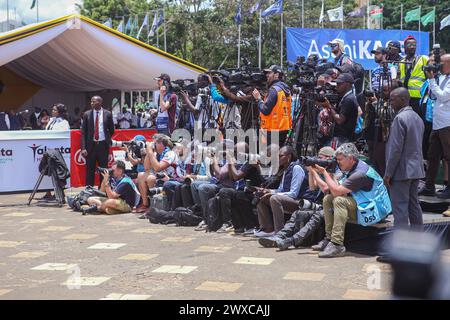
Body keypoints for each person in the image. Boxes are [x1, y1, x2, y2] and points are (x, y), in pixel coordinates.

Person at [313, 143, 391, 258]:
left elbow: (336, 191)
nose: (338, 162)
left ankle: (337, 244)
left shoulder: (360, 173)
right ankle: (329, 238)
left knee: (339, 200)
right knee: (328, 199)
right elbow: (331, 190)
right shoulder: (352, 167)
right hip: (365, 204)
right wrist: (330, 172)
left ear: (350, 158)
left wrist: (325, 173)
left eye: (340, 159)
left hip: (376, 211)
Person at [258, 147, 335, 250]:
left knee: (314, 215)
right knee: (296, 214)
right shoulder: (287, 169)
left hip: (324, 204)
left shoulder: (335, 171)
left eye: (320, 158)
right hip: (319, 204)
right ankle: (279, 236)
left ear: (329, 158)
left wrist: (316, 171)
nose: (318, 160)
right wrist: (311, 172)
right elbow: (313, 187)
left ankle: (290, 240)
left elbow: (325, 188)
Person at [384, 87, 424, 229]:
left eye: (393, 100)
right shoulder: (417, 118)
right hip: (416, 170)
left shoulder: (399, 119)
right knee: (414, 206)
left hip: (401, 171)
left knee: (400, 208)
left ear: (403, 99)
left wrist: (388, 173)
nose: (391, 103)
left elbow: (395, 150)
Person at [255, 145, 315, 237]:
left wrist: (272, 194)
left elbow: (294, 193)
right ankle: (267, 229)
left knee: (275, 199)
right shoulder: (286, 169)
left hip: (302, 201)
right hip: (291, 199)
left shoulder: (296, 168)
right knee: (260, 196)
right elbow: (281, 190)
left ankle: (279, 233)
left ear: (289, 156)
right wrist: (267, 191)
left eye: (280, 156)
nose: (277, 159)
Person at [419, 54, 450, 199]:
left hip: (447, 124)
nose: (438, 66)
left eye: (441, 63)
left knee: (448, 157)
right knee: (432, 156)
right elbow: (432, 95)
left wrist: (432, 79)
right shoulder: (441, 77)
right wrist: (433, 78)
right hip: (437, 124)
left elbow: (443, 96)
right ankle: (429, 186)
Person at [215, 142, 263, 233]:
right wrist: (230, 163)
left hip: (253, 191)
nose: (234, 153)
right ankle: (238, 225)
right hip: (242, 189)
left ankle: (250, 226)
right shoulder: (243, 161)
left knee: (234, 194)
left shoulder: (251, 160)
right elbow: (233, 178)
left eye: (236, 151)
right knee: (226, 193)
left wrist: (230, 161)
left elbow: (237, 176)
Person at [135, 134, 177, 213]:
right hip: (159, 177)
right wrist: (148, 152)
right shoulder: (155, 154)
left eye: (155, 143)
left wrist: (150, 152)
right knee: (140, 175)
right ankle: (146, 204)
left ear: (161, 144)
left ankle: (153, 206)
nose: (153, 145)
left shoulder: (170, 153)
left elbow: (158, 168)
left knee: (151, 178)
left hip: (170, 178)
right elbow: (146, 168)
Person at [252, 65, 292, 145]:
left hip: (272, 130)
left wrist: (258, 99)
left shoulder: (274, 90)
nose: (267, 75)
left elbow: (265, 110)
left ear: (276, 75)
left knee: (271, 156)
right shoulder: (285, 89)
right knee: (278, 154)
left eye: (269, 73)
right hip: (283, 128)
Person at [81, 96, 115, 188]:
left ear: (100, 102)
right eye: (91, 101)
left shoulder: (107, 114)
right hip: (90, 147)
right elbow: (83, 132)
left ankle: (102, 190)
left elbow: (111, 130)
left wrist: (106, 138)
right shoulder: (87, 114)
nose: (91, 103)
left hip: (103, 146)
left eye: (94, 101)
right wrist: (83, 148)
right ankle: (89, 190)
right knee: (90, 170)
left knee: (103, 170)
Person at [319, 73, 359, 148]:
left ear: (347, 84)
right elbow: (333, 117)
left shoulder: (349, 99)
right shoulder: (343, 97)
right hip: (340, 137)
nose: (337, 86)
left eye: (339, 84)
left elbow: (340, 120)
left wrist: (329, 106)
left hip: (344, 139)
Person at [399, 35, 428, 115]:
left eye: (414, 45)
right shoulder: (402, 62)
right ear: (404, 46)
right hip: (405, 97)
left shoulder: (423, 59)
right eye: (409, 45)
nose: (412, 47)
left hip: (419, 97)